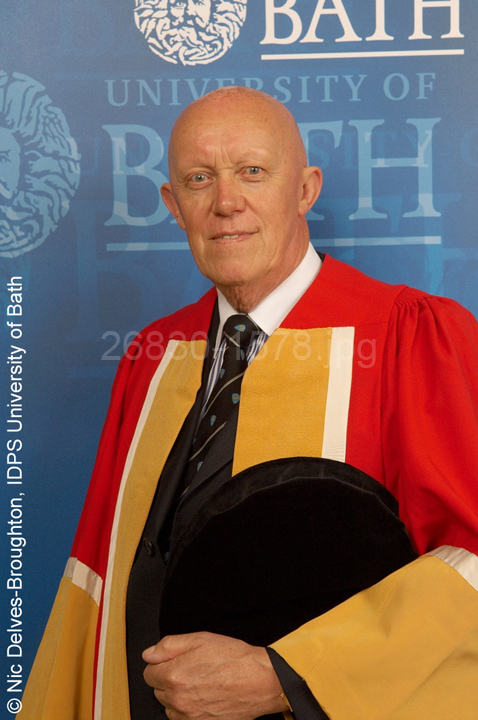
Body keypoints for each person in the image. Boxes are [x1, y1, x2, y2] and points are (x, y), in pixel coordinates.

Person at [19, 87, 478, 720]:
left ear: (306, 189)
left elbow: (468, 563)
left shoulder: (409, 336)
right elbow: (97, 578)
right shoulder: (154, 357)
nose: (226, 202)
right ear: (173, 205)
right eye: (199, 179)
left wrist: (288, 676)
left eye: (253, 171)